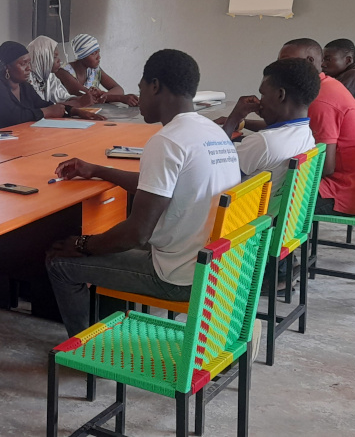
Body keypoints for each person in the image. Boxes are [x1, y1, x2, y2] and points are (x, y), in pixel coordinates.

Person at [46, 49, 241, 337]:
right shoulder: (212, 133)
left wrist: (83, 244)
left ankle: (87, 350)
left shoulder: (166, 141)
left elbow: (136, 234)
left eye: (140, 89)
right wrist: (98, 170)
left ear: (155, 86)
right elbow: (158, 186)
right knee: (109, 236)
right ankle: (108, 332)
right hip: (217, 267)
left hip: (178, 276)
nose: (139, 100)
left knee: (60, 261)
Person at [278, 39, 355, 216]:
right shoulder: (326, 84)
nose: (279, 67)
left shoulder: (321, 100)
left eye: (286, 61)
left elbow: (325, 168)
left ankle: (272, 243)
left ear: (309, 61)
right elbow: (292, 126)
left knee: (262, 199)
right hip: (351, 188)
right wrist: (244, 122)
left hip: (341, 193)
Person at [0, 41, 105, 132]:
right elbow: (16, 116)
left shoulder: (23, 86)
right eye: (23, 64)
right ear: (7, 67)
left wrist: (75, 112)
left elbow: (44, 104)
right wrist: (47, 112)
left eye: (29, 63)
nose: (29, 69)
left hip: (11, 140)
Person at [219, 58, 319, 184]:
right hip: (273, 203)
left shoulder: (264, 142)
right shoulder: (307, 135)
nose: (260, 101)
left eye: (263, 94)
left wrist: (233, 119)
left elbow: (214, 171)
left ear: (280, 95)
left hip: (243, 203)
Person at [55, 34, 139, 106]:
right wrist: (120, 98)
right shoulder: (64, 72)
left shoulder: (94, 70)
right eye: (93, 54)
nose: (99, 57)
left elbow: (118, 89)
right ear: (82, 56)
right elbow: (86, 96)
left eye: (98, 52)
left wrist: (103, 95)